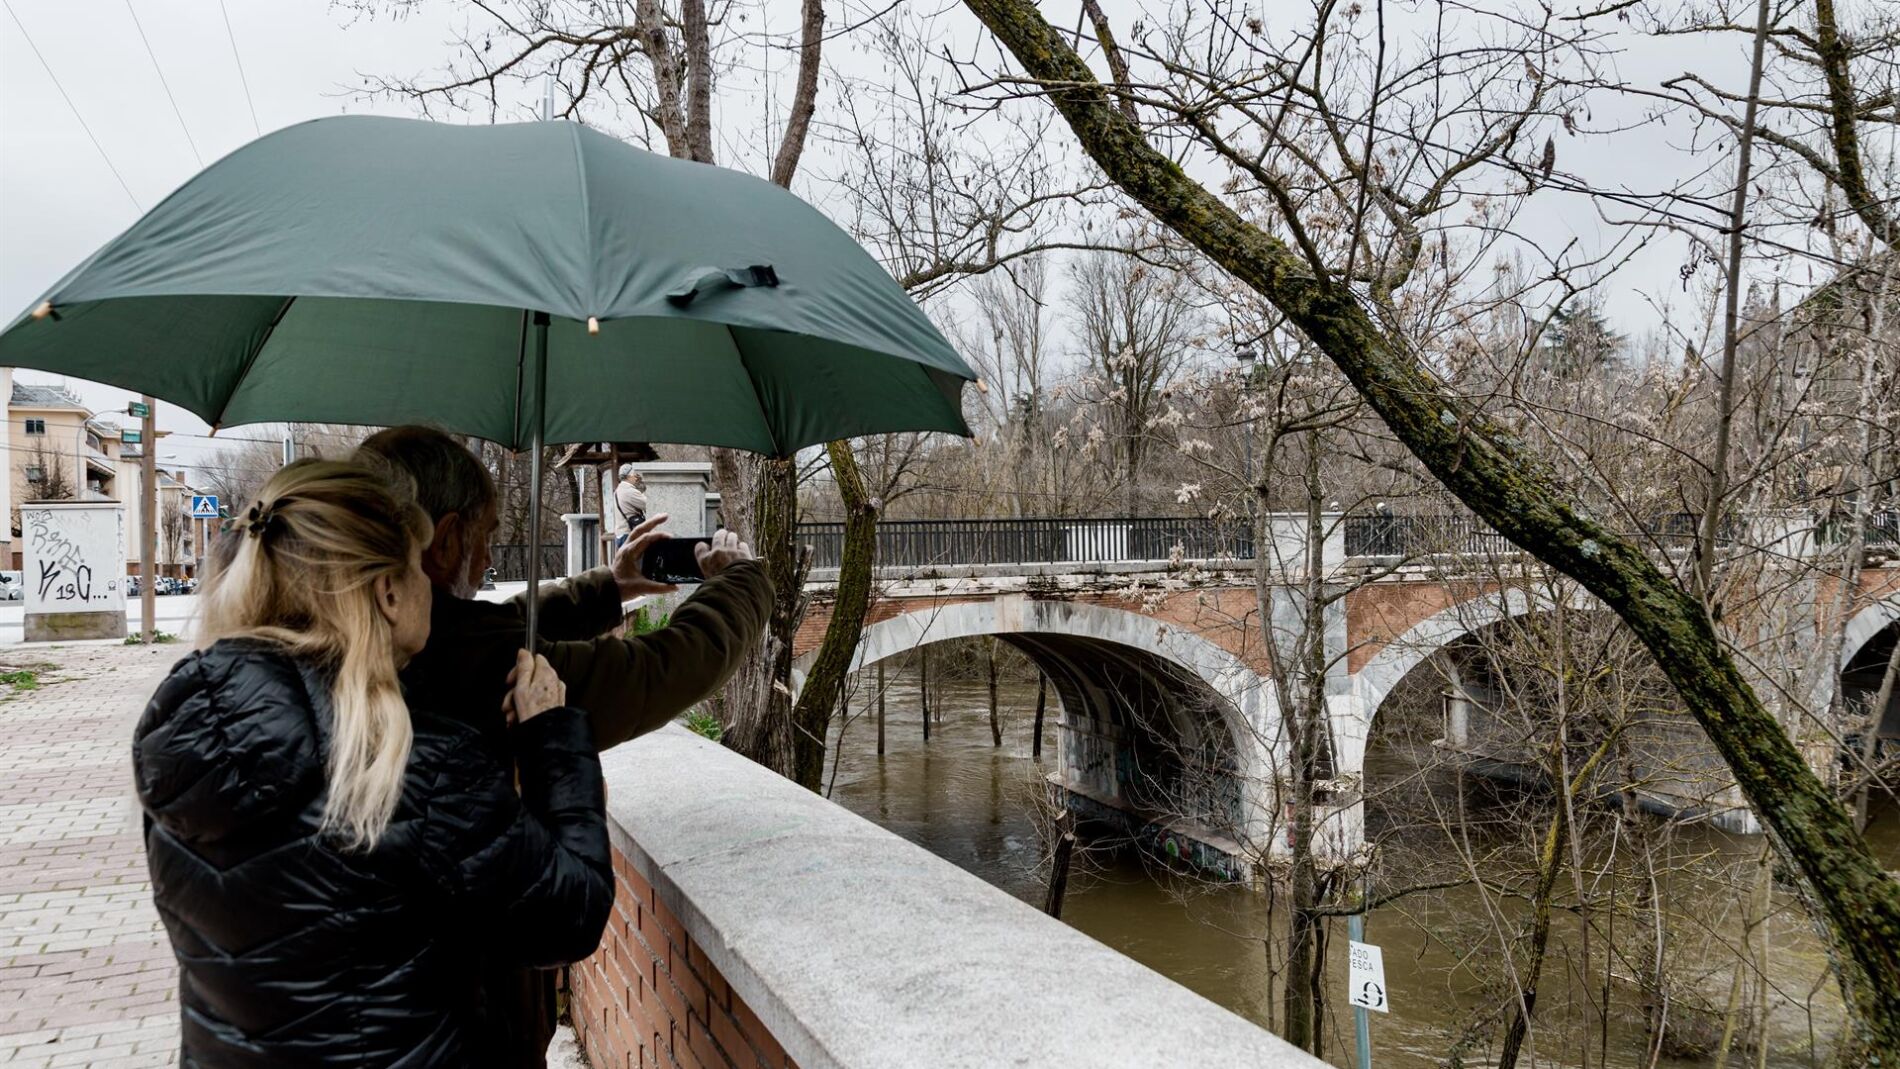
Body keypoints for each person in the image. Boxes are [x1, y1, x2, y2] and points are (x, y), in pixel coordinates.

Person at [134, 460, 613, 1067]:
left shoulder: (183, 740)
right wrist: (551, 739)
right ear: (388, 592)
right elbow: (568, 917)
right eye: (418, 566)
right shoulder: (414, 768)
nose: (428, 587)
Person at [352, 425, 773, 1067]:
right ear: (447, 539)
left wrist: (612, 585)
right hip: (464, 1026)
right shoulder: (470, 663)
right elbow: (660, 670)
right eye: (486, 534)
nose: (489, 559)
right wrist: (743, 581)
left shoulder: (331, 651)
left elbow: (498, 623)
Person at [613, 464, 647, 548]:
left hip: (620, 534)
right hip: (629, 533)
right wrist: (643, 483)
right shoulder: (629, 491)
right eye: (634, 475)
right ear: (628, 476)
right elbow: (650, 505)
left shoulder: (618, 491)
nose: (636, 477)